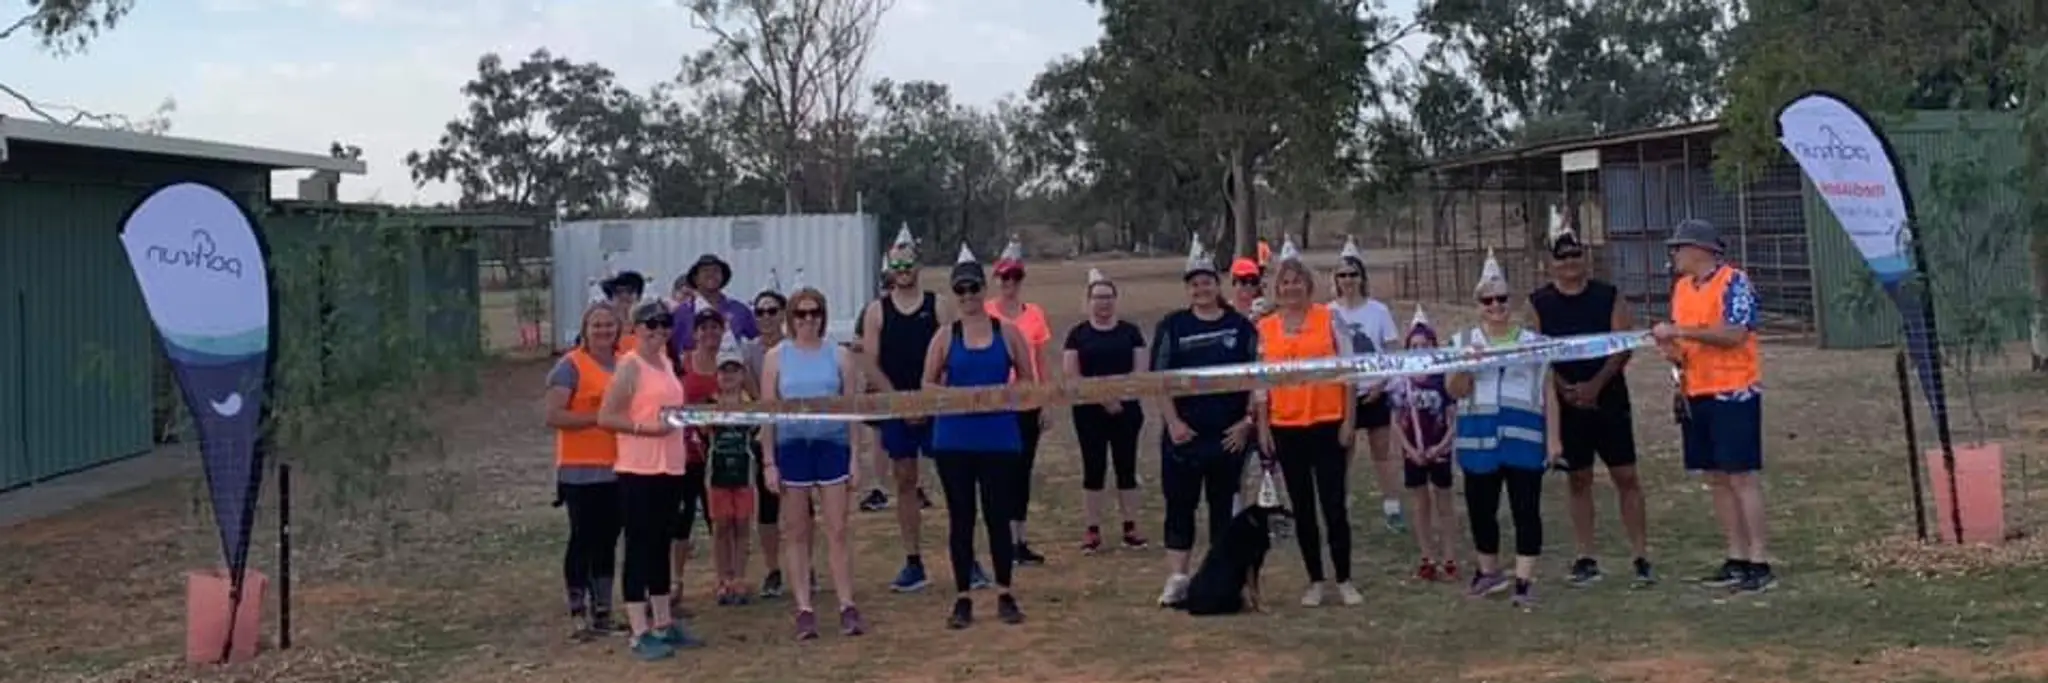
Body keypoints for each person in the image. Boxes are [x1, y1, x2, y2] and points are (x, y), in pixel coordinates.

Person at [1528, 212, 1654, 588]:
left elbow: (1623, 344)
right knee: (1578, 480)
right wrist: (1565, 386)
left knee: (1626, 476)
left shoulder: (1608, 296)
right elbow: (1537, 353)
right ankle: (1585, 556)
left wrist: (1595, 385)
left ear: (1586, 258)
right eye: (1562, 257)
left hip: (1609, 396)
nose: (1570, 263)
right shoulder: (1539, 303)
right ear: (1551, 263)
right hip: (1566, 402)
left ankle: (1641, 554)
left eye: (1576, 256)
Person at [1652, 218, 1773, 593]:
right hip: (1696, 389)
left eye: (1678, 247)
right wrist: (1672, 351)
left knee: (1741, 475)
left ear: (1699, 250)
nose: (1673, 255)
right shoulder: (1682, 289)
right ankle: (1735, 555)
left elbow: (1735, 334)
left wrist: (1682, 333)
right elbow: (1684, 344)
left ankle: (1760, 558)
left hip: (1733, 390)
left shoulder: (1734, 282)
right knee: (1715, 477)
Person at [1447, 250, 1564, 610]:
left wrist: (1554, 439)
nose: (1495, 306)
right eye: (1488, 300)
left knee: (1525, 508)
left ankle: (1525, 579)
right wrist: (1467, 365)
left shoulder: (1534, 343)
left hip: (1523, 436)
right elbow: (1453, 390)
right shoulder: (1461, 340)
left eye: (1501, 299)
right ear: (1478, 305)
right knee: (1482, 509)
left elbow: (1548, 392)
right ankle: (1488, 572)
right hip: (1478, 435)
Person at [925, 243, 1032, 628]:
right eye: (961, 291)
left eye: (973, 289)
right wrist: (956, 397)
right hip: (954, 439)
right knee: (961, 518)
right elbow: (927, 384)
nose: (968, 296)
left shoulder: (1009, 332)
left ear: (984, 290)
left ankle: (1005, 591)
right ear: (955, 295)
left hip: (999, 438)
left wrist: (1007, 398)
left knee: (997, 516)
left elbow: (1028, 381)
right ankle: (963, 596)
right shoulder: (944, 336)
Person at [1151, 239, 1260, 606]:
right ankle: (1178, 578)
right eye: (1194, 283)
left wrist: (1247, 422)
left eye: (1207, 281)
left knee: (1223, 512)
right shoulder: (1173, 326)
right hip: (1184, 437)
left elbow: (1254, 378)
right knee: (1180, 507)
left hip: (1228, 437)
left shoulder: (1241, 327)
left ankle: (1224, 578)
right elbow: (1160, 379)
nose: (1202, 289)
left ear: (1218, 284)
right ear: (1188, 288)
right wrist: (1173, 423)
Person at [1255, 236, 1360, 607]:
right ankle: (1315, 579)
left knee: (1333, 503)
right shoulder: (1265, 327)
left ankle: (1344, 578)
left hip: (1328, 421)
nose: (1291, 287)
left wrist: (1350, 419)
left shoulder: (1329, 319)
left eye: (1297, 281)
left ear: (1308, 285)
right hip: (1286, 425)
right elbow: (1261, 383)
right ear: (1276, 287)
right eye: (1284, 282)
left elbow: (1347, 371)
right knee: (1302, 506)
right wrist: (1264, 426)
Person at [596, 302, 704, 661]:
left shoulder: (667, 362)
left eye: (665, 324)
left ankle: (663, 621)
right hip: (638, 467)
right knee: (639, 545)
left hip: (670, 466)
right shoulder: (630, 366)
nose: (659, 331)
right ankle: (637, 628)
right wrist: (646, 429)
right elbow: (607, 417)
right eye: (651, 325)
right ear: (636, 328)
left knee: (661, 543)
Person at [760, 287, 868, 639]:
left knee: (837, 528)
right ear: (791, 318)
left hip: (831, 444)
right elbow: (767, 413)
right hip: (793, 446)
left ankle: (846, 604)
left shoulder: (839, 357)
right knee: (797, 531)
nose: (809, 320)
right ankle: (804, 608)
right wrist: (769, 462)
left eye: (815, 313)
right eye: (801, 314)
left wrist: (855, 456)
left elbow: (852, 409)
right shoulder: (776, 358)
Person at [858, 228, 949, 592]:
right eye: (897, 264)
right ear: (889, 269)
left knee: (954, 478)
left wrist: (929, 396)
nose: (904, 269)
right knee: (905, 480)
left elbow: (948, 352)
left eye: (909, 262)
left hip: (936, 404)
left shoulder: (937, 304)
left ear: (919, 265)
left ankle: (967, 557)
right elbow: (870, 362)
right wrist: (899, 400)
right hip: (898, 406)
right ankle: (913, 560)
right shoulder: (877, 312)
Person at [545, 304, 627, 639]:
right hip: (579, 470)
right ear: (585, 329)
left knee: (608, 540)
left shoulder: (625, 366)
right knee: (583, 537)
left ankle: (603, 609)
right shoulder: (570, 366)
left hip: (617, 468)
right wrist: (598, 418)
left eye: (609, 325)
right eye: (597, 325)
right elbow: (554, 415)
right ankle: (578, 608)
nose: (604, 331)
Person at [1063, 267, 1149, 553]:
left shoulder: (1131, 332)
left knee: (1127, 467)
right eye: (1098, 297)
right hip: (1089, 413)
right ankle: (1092, 528)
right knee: (1094, 468)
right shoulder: (1077, 335)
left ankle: (1131, 525)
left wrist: (1121, 399)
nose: (1103, 303)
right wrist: (1102, 399)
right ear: (1089, 302)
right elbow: (1072, 376)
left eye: (1108, 297)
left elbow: (1140, 372)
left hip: (1127, 411)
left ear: (1116, 300)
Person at [1328, 237, 1407, 533]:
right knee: (1342, 454)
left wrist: (1383, 384)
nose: (1348, 280)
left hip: (1375, 391)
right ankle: (1340, 508)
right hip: (1342, 393)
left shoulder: (1379, 311)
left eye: (1353, 274)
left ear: (1362, 278)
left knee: (1382, 453)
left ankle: (1392, 507)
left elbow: (1391, 352)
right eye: (1342, 275)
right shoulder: (1328, 312)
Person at [987, 236, 1056, 566]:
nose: (1009, 284)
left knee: (1022, 471)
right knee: (997, 472)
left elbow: (1041, 360)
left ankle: (1019, 539)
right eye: (1004, 277)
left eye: (1015, 278)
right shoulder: (986, 312)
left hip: (1027, 402)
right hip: (996, 403)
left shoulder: (1035, 315)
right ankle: (999, 537)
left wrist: (1046, 402)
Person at [1389, 306, 1459, 582]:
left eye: (1425, 345)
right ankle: (1427, 555)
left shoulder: (1443, 379)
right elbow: (1395, 420)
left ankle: (1450, 555)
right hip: (1414, 451)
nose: (1419, 350)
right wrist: (1409, 449)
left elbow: (1454, 418)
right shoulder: (1401, 382)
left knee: (1444, 502)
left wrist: (1441, 446)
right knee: (1421, 504)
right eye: (1414, 345)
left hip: (1439, 448)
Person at [673, 308, 730, 609]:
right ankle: (675, 581)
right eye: (704, 328)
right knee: (680, 521)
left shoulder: (730, 365)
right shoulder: (683, 365)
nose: (710, 333)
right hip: (687, 454)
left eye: (715, 327)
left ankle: (725, 579)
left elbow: (749, 399)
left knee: (719, 519)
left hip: (721, 453)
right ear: (695, 333)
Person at [700, 343, 760, 606]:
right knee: (721, 525)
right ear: (717, 374)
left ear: (742, 374)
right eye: (724, 371)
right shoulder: (710, 404)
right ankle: (722, 578)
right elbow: (703, 432)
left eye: (734, 371)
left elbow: (758, 431)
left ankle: (740, 577)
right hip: (718, 472)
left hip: (744, 472)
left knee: (742, 524)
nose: (729, 377)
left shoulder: (752, 405)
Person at [747, 290, 789, 599]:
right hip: (763, 432)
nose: (765, 318)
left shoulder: (794, 348)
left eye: (772, 311)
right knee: (768, 504)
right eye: (759, 312)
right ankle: (773, 568)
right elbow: (751, 390)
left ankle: (806, 564)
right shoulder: (749, 352)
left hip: (794, 431)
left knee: (800, 504)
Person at [673, 253, 760, 355]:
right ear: (695, 278)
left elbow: (758, 340)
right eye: (705, 271)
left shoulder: (739, 309)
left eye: (716, 270)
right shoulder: (682, 313)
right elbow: (673, 349)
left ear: (722, 277)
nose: (711, 274)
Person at [603, 271, 647, 352]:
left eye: (630, 291)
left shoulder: (649, 326)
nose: (624, 295)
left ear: (638, 296)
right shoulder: (599, 326)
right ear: (610, 297)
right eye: (618, 292)